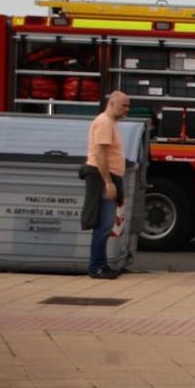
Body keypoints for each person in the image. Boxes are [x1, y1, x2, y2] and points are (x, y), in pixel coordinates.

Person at [85, 90, 130, 279]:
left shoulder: (109, 122)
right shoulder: (104, 123)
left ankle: (101, 264)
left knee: (105, 225)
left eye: (128, 105)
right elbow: (100, 154)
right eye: (124, 105)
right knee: (103, 225)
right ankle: (97, 267)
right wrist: (108, 183)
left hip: (108, 177)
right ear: (112, 103)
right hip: (104, 178)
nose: (127, 109)